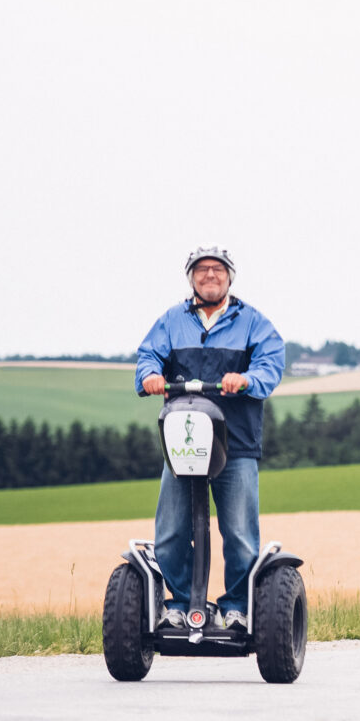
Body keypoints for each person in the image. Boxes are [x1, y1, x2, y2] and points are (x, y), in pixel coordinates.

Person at [135, 247, 285, 630]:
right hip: (184, 445)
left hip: (235, 444)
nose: (210, 276)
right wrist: (150, 377)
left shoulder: (253, 322)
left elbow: (271, 362)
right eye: (201, 270)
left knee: (239, 533)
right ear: (191, 279)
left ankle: (236, 607)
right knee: (170, 531)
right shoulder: (172, 320)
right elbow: (148, 356)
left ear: (230, 277)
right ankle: (181, 604)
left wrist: (248, 379)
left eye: (217, 270)